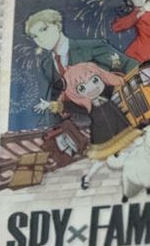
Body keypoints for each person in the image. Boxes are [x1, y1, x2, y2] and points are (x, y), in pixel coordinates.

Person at [24, 8, 136, 122]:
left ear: (57, 26)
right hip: (77, 120)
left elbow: (129, 64)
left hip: (111, 112)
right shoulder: (47, 65)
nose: (40, 38)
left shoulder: (90, 47)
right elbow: (56, 94)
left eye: (44, 29)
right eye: (35, 36)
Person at [60, 62, 141, 190]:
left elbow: (112, 81)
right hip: (103, 133)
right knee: (102, 159)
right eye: (82, 88)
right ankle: (87, 177)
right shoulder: (86, 106)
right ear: (76, 93)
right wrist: (59, 106)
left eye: (94, 80)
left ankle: (136, 173)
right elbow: (72, 108)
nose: (92, 88)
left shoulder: (105, 93)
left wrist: (116, 66)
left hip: (119, 124)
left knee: (135, 144)